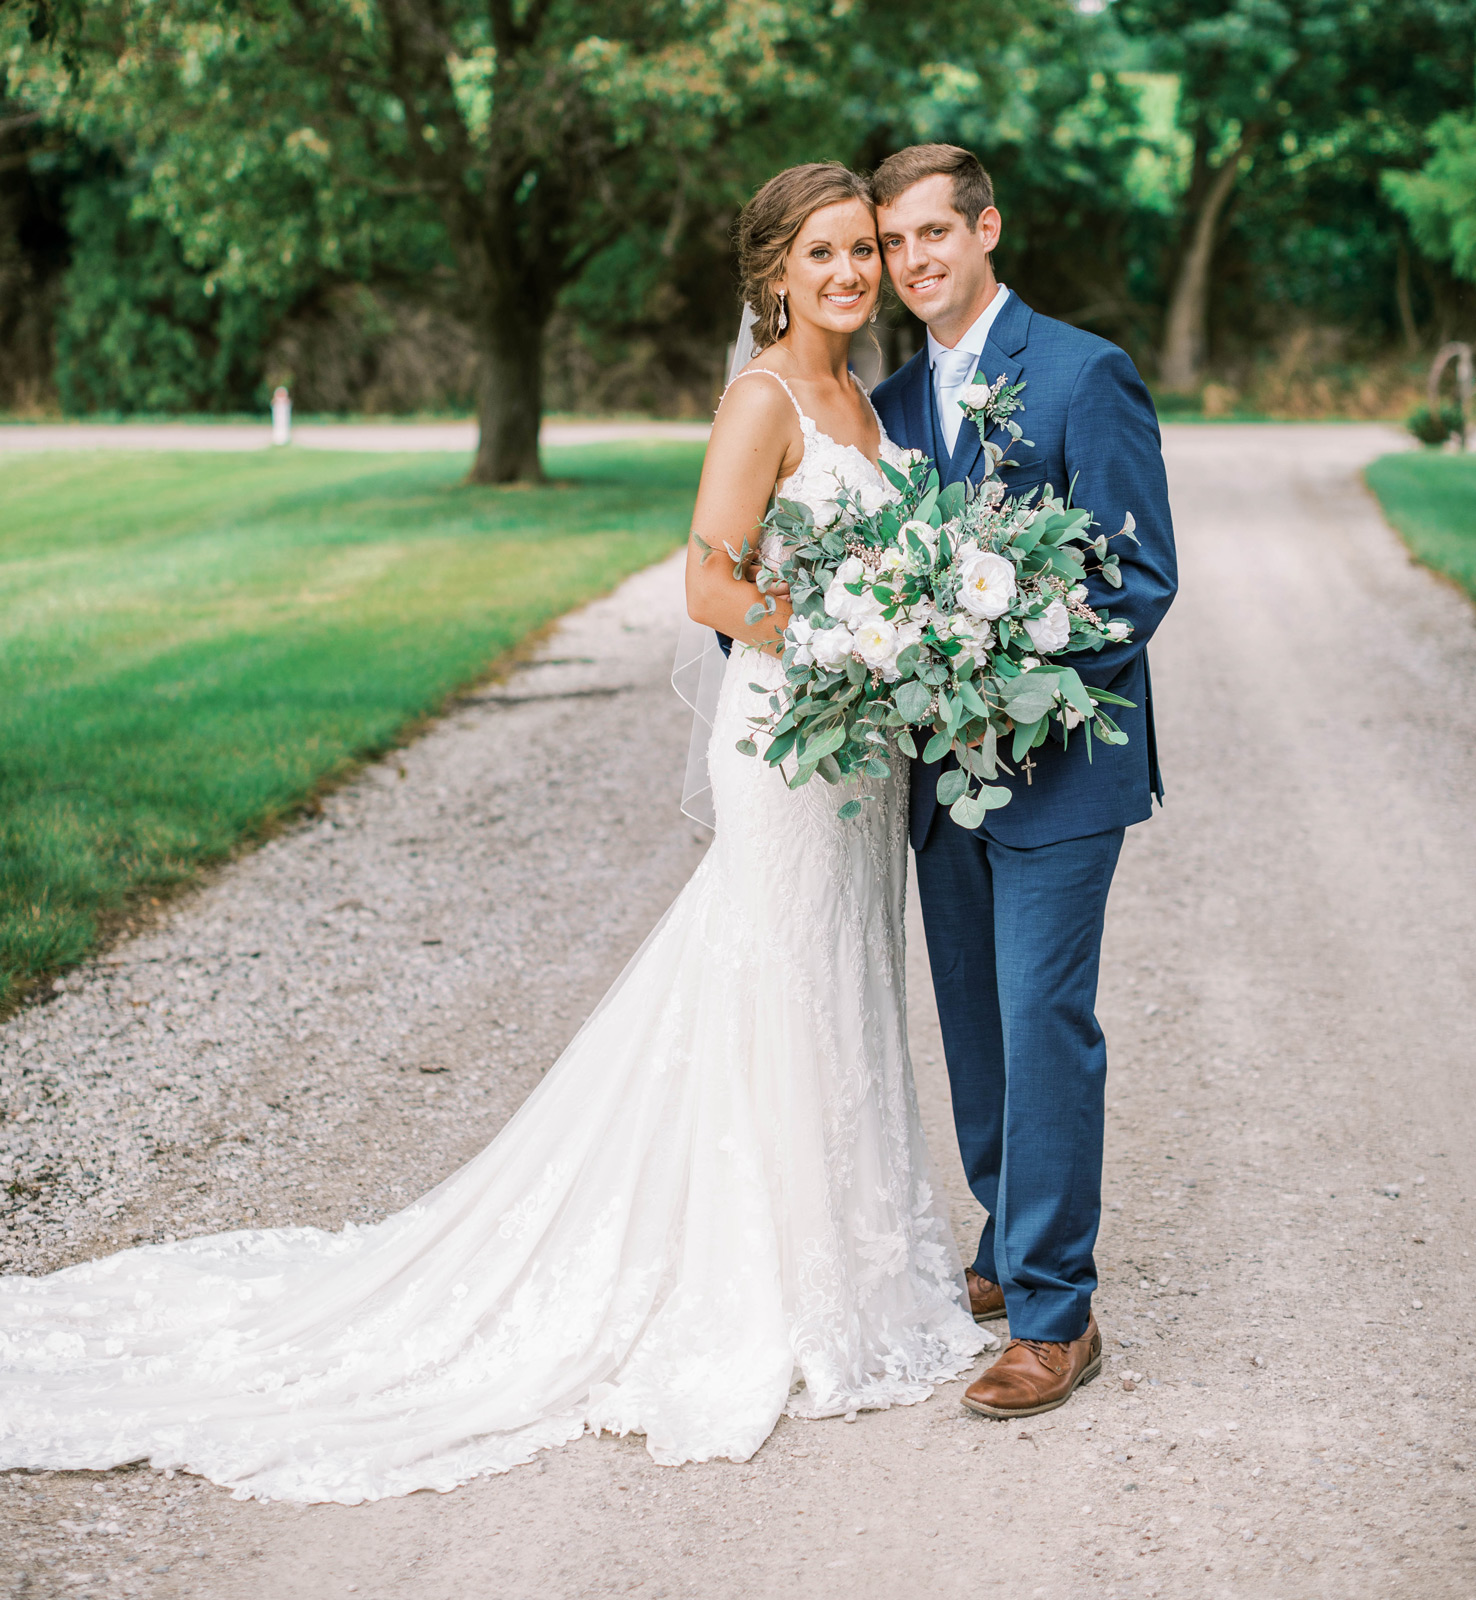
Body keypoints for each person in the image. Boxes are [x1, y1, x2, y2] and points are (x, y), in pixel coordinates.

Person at [0, 162, 985, 1506]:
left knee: (845, 975)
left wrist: (895, 643)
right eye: (824, 252)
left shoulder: (864, 397)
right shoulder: (765, 399)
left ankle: (859, 1265)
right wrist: (842, 643)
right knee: (777, 977)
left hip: (857, 753)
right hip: (790, 735)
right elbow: (710, 579)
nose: (853, 272)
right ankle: (770, 1285)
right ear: (773, 272)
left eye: (862, 249)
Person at [870, 144, 1179, 1419]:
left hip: (1058, 770)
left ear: (986, 229)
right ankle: (1009, 1235)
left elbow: (1138, 576)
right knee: (974, 1020)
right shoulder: (888, 404)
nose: (914, 260)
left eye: (935, 233)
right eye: (895, 242)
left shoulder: (1081, 372)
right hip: (941, 778)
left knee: (1043, 1020)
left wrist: (1010, 676)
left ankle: (1059, 1313)